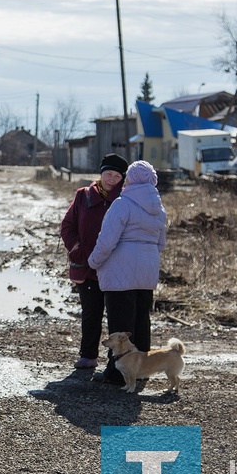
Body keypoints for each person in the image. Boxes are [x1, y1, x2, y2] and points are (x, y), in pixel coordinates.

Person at [88, 160, 167, 387]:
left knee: (121, 325)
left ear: (129, 179)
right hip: (147, 270)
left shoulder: (122, 204)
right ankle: (142, 371)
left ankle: (116, 373)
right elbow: (161, 243)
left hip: (120, 272)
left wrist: (93, 262)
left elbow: (107, 241)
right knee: (141, 321)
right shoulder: (159, 209)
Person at [59, 153, 129, 370]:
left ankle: (117, 362)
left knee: (117, 316)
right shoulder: (84, 196)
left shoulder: (124, 200)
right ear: (100, 174)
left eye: (117, 176)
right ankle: (88, 356)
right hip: (87, 266)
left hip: (115, 267)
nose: (111, 179)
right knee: (91, 313)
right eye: (108, 173)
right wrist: (76, 248)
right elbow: (67, 226)